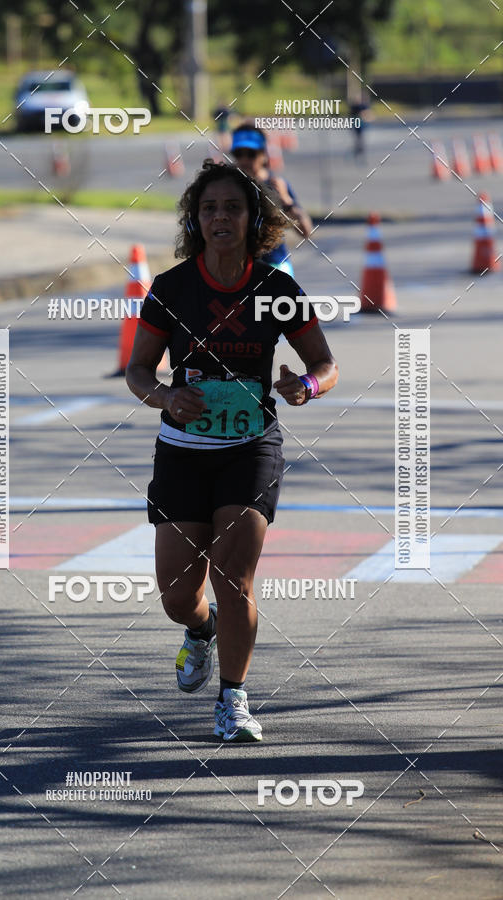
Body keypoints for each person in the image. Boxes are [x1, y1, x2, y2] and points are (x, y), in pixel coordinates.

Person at [126, 160, 338, 742]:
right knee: (177, 595)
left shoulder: (277, 289)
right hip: (182, 450)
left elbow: (325, 363)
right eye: (209, 208)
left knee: (234, 576)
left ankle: (233, 700)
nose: (220, 217)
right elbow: (138, 370)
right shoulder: (173, 288)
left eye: (233, 208)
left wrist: (306, 385)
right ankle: (201, 630)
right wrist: (166, 397)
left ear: (253, 220)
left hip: (251, 447)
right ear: (195, 220)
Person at [230, 124, 312, 277]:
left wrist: (286, 200)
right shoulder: (227, 187)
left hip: (275, 265)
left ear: (263, 155)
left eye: (251, 154)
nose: (244, 160)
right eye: (239, 154)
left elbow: (305, 231)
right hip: (239, 268)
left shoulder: (276, 185)